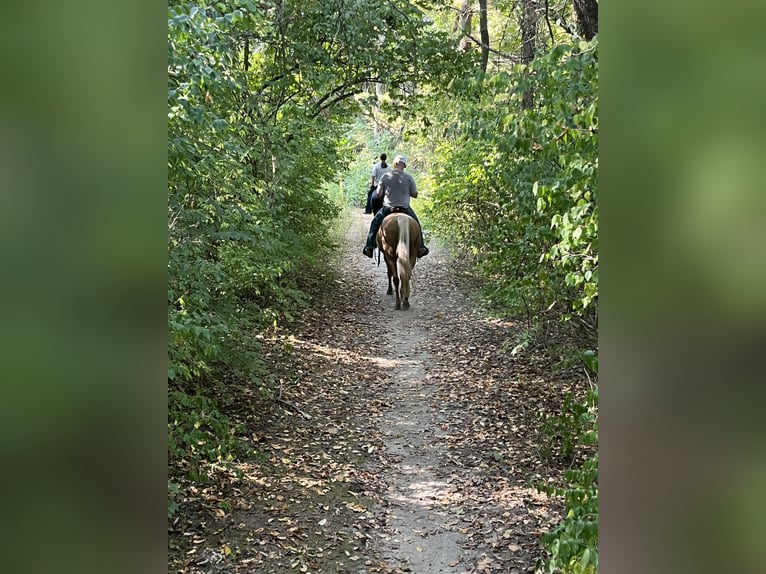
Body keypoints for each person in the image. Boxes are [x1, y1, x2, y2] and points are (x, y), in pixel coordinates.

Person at [362, 155, 429, 258]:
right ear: (404, 165)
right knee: (417, 224)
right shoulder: (409, 177)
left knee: (375, 224)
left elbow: (379, 194)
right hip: (405, 208)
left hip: (388, 208)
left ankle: (369, 247)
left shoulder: (385, 176)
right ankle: (421, 247)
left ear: (394, 164)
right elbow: (414, 194)